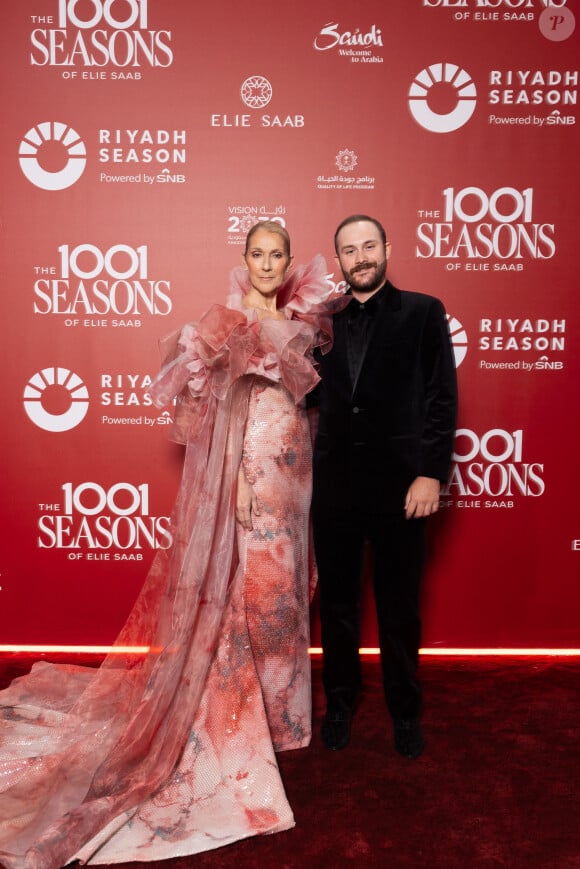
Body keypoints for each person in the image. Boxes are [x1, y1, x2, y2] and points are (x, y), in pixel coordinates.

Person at [0, 222, 347, 869]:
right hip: (251, 478)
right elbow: (211, 410)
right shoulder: (227, 322)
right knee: (259, 594)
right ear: (245, 261)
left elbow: (311, 408)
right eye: (259, 254)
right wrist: (236, 483)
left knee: (296, 593)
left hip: (296, 477)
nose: (269, 263)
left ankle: (287, 719)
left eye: (278, 254)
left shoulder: (304, 318)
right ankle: (255, 720)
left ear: (286, 262)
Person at [310, 215, 457, 758]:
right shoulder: (319, 319)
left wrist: (430, 473)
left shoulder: (423, 312)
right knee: (339, 608)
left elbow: (442, 398)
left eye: (369, 246)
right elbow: (305, 396)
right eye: (349, 250)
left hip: (403, 487)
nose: (361, 257)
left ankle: (404, 711)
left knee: (399, 609)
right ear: (340, 259)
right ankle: (341, 705)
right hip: (335, 487)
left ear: (386, 249)